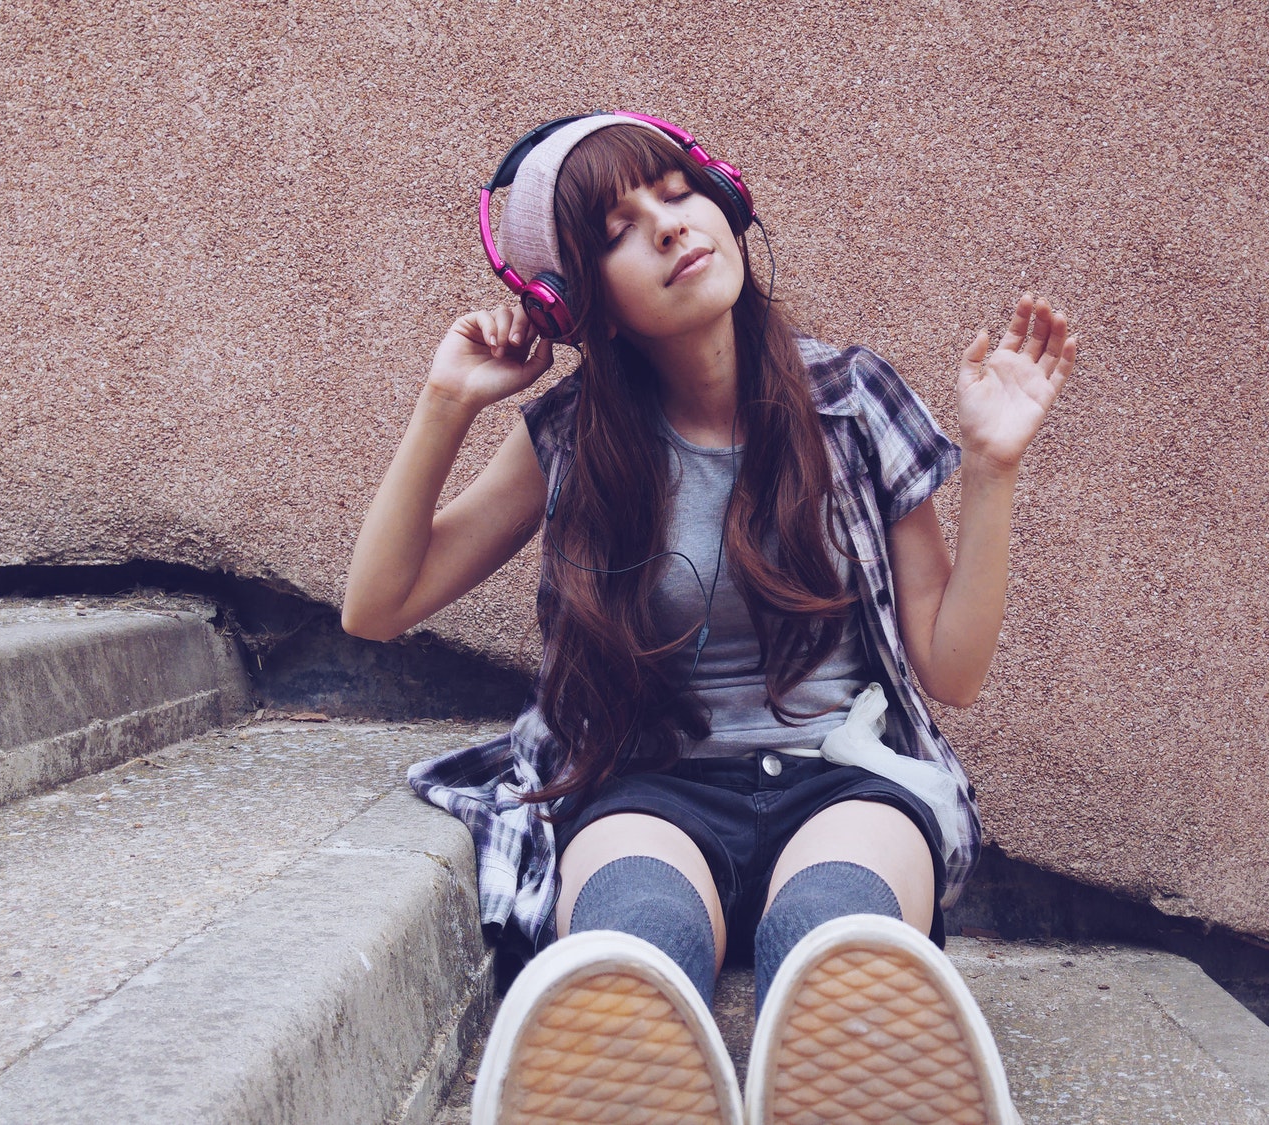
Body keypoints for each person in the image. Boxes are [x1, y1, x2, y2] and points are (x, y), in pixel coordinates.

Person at [343, 112, 1075, 1125]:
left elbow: (949, 672)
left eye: (676, 190)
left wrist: (991, 472)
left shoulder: (850, 402)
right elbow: (377, 605)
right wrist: (445, 402)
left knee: (835, 943)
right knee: (625, 953)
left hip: (845, 778)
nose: (667, 227)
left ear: (723, 198)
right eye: (613, 229)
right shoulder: (572, 436)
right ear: (576, 302)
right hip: (651, 787)